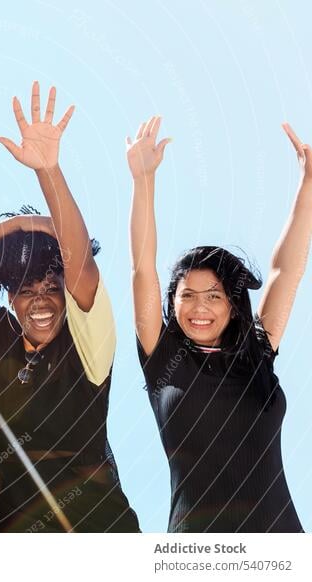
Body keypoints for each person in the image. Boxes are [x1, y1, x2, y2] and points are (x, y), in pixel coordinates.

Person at [0, 82, 140, 532]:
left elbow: (81, 265)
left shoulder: (88, 341)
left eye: (52, 287)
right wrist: (21, 224)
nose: (42, 300)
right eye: (27, 290)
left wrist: (49, 172)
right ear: (10, 298)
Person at [128, 115, 308, 532]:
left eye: (213, 296)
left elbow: (284, 272)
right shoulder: (163, 357)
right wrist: (143, 181)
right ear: (171, 305)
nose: (199, 307)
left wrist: (308, 187)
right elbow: (142, 268)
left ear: (233, 305)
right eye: (186, 296)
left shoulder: (257, 355)